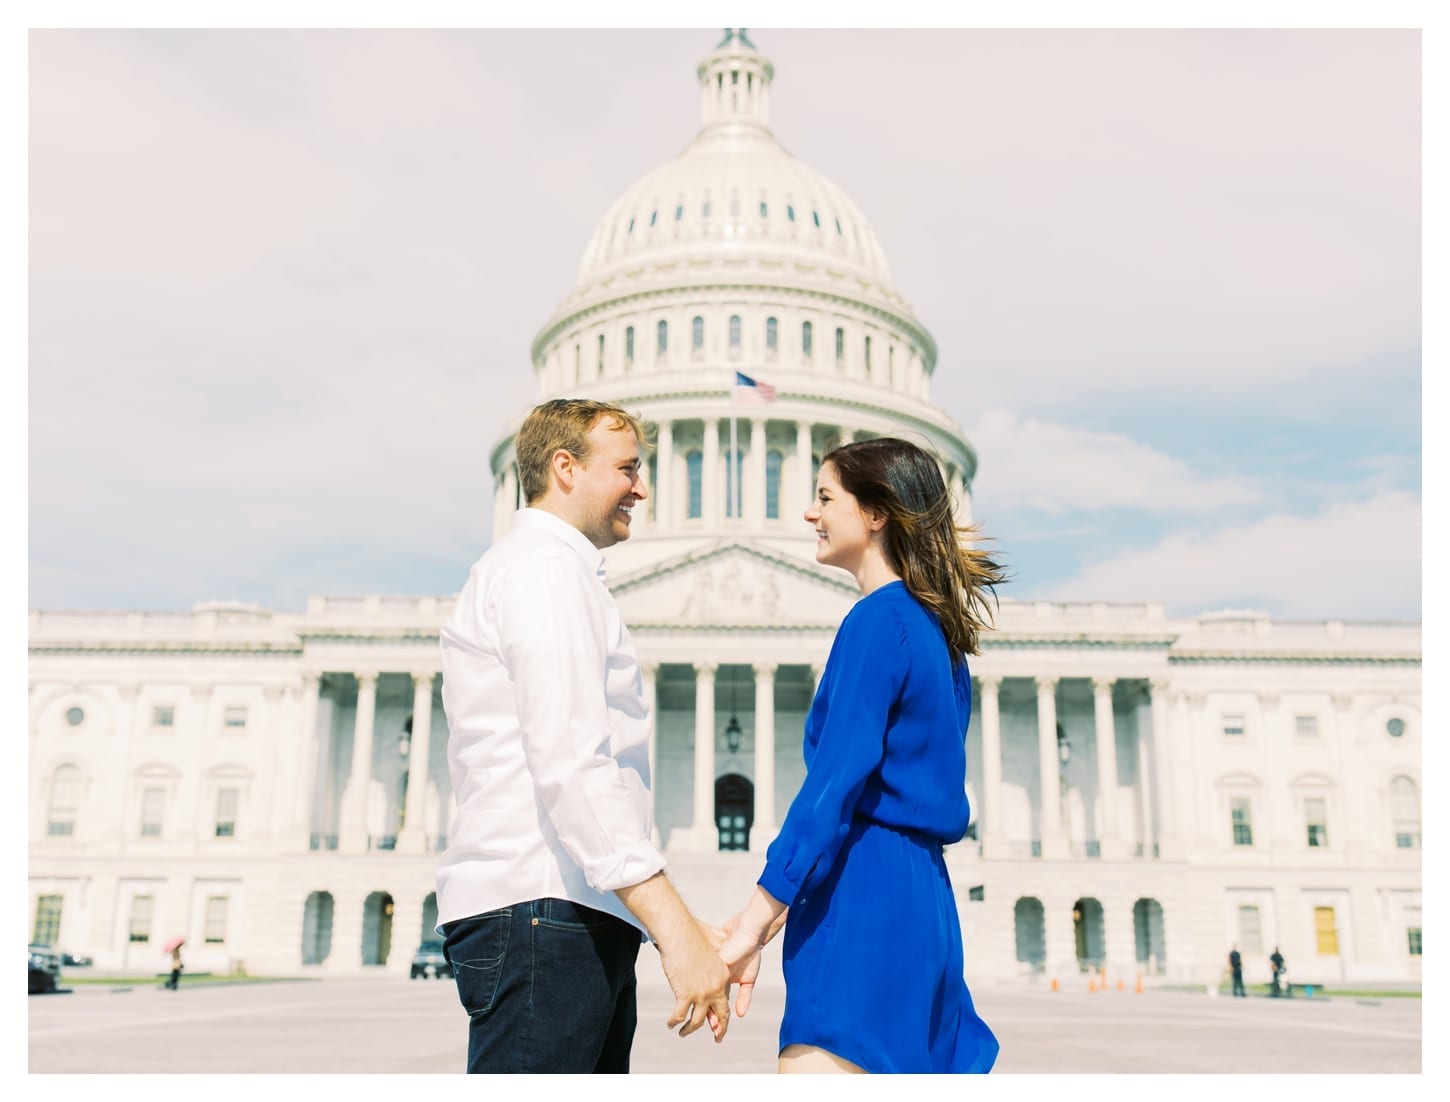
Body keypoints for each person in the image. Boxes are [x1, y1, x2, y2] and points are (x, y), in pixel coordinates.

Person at [436, 398, 733, 1073]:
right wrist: (673, 927)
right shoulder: (545, 573)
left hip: (564, 907)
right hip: (544, 908)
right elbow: (571, 761)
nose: (644, 487)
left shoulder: (549, 573)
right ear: (565, 468)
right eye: (626, 468)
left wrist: (671, 919)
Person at [718, 438, 1006, 1074]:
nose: (809, 514)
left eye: (824, 497)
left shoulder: (876, 620)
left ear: (876, 513)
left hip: (860, 896)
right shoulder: (941, 637)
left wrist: (755, 917)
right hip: (925, 900)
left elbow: (832, 790)